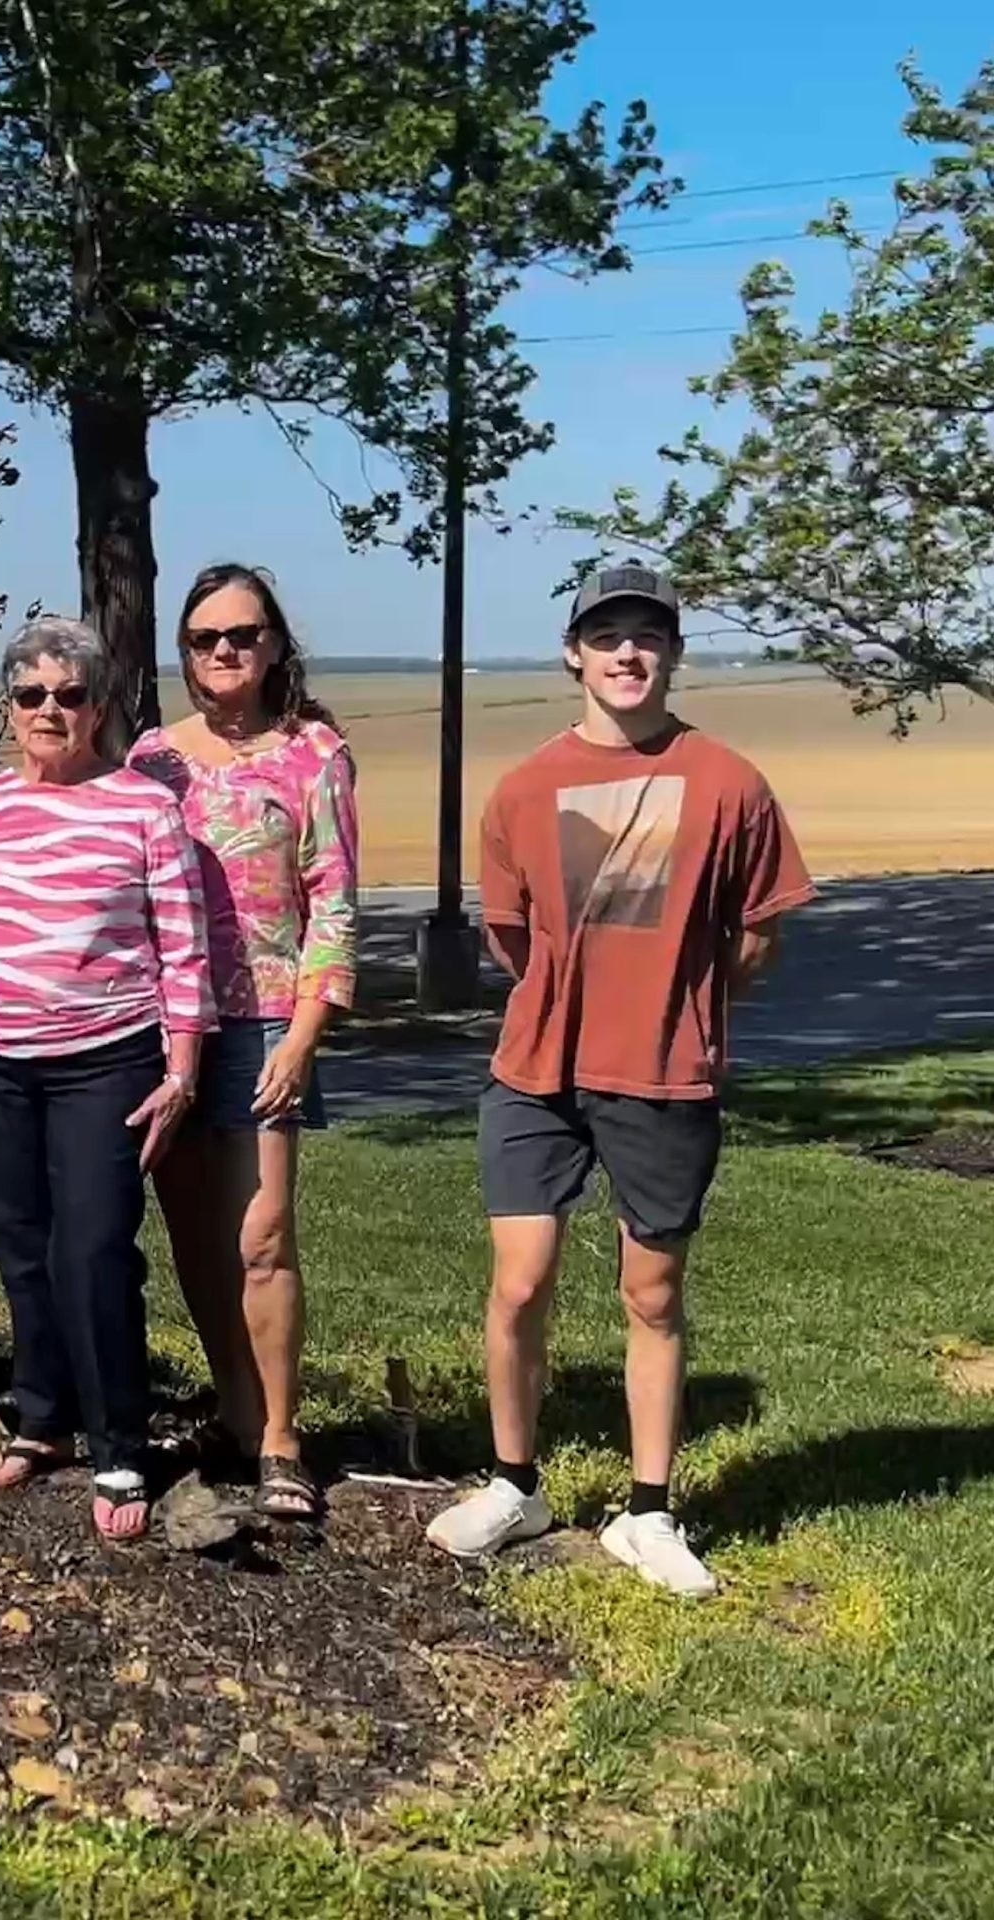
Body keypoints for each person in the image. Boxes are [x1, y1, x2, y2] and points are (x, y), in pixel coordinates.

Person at [427, 560, 814, 1596]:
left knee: (651, 1291)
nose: (627, 653)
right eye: (607, 637)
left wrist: (678, 1003)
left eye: (647, 635)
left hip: (663, 1075)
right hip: (536, 1071)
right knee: (518, 1282)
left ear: (672, 653)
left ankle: (648, 1513)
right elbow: (515, 942)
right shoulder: (521, 790)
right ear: (574, 654)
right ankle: (515, 1484)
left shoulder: (728, 782)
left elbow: (760, 930)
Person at [0, 616, 215, 1540]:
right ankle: (42, 1417)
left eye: (71, 695)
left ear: (100, 705)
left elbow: (184, 945)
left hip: (108, 1058)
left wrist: (183, 1070)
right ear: (9, 708)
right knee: (21, 1245)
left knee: (93, 1251)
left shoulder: (143, 806)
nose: (51, 711)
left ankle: (120, 1443)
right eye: (31, 695)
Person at [129, 565, 358, 1525]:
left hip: (266, 1016)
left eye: (245, 635)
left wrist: (304, 1036)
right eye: (205, 639)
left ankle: (281, 1439)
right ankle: (232, 1406)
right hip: (166, 1023)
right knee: (193, 1235)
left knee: (262, 1235)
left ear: (274, 646)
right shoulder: (150, 760)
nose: (225, 652)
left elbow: (335, 903)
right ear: (183, 653)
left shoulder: (314, 754)